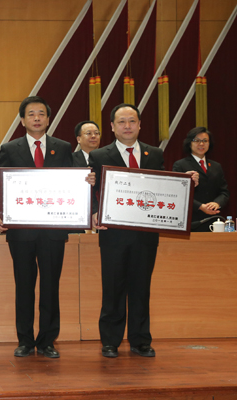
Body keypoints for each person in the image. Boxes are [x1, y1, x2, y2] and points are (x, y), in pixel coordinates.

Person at [0, 96, 93, 359]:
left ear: (48, 118)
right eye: (31, 114)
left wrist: (87, 181)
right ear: (22, 120)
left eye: (41, 114)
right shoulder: (10, 148)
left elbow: (74, 182)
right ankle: (24, 340)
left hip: (53, 231)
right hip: (21, 232)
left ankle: (47, 341)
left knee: (50, 286)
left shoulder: (63, 147)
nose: (36, 118)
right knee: (24, 286)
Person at [90, 103, 197, 358]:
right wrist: (93, 211)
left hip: (145, 235)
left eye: (132, 121)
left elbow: (162, 187)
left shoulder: (154, 153)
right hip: (113, 233)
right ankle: (110, 341)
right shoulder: (99, 156)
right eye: (121, 122)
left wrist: (186, 181)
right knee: (113, 288)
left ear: (140, 125)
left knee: (141, 288)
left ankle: (140, 340)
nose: (127, 126)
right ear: (112, 127)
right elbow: (90, 190)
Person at [172, 127, 229, 231]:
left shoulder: (216, 166)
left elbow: (224, 192)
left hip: (214, 220)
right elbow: (178, 193)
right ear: (189, 143)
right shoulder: (180, 165)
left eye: (205, 141)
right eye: (197, 140)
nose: (201, 144)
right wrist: (200, 206)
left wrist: (217, 203)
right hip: (191, 220)